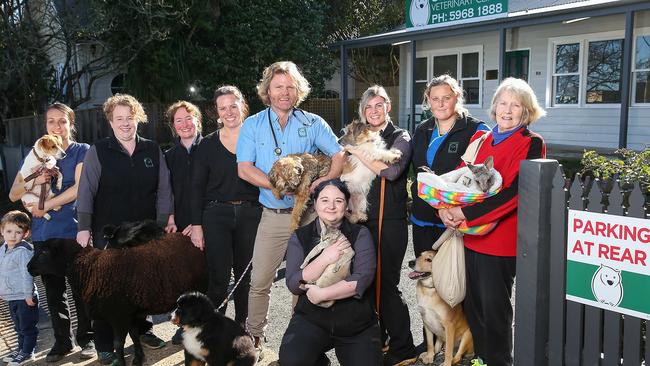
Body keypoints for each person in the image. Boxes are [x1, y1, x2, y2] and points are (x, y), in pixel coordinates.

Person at [237, 61, 346, 350]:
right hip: (272, 215)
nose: (284, 92)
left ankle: (301, 335)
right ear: (267, 91)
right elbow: (244, 168)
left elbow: (339, 154)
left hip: (308, 216)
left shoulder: (313, 123)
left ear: (298, 91)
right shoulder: (253, 124)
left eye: (290, 87)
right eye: (278, 87)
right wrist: (276, 186)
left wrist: (321, 184)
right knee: (260, 280)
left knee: (304, 279)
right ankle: (255, 337)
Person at [439, 77, 546, 366]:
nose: (507, 110)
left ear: (526, 111)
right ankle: (481, 360)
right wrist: (445, 207)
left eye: (516, 105)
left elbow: (515, 194)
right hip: (469, 237)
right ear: (494, 106)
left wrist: (465, 214)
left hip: (499, 244)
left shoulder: (531, 143)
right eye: (503, 103)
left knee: (495, 311)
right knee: (473, 309)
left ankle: (500, 362)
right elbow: (458, 179)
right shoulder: (481, 139)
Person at [76, 94, 172, 364]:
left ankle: (143, 332)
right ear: (110, 121)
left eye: (130, 118)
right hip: (108, 235)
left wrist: (161, 226)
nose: (125, 123)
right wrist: (84, 228)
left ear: (138, 118)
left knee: (141, 288)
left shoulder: (152, 150)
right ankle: (104, 342)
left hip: (143, 235)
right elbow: (85, 191)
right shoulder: (98, 151)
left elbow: (164, 190)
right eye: (119, 118)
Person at [8, 103, 95, 362]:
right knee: (54, 292)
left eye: (62, 121)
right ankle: (62, 342)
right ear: (45, 126)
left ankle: (87, 338)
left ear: (71, 124)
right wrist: (36, 181)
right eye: (51, 121)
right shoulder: (38, 154)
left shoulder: (82, 151)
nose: (57, 126)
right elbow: (14, 194)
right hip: (44, 232)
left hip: (73, 229)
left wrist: (45, 204)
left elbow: (80, 188)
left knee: (81, 288)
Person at [345, 85, 415, 365]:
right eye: (368, 107)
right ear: (362, 111)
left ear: (388, 107)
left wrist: (359, 153)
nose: (374, 111)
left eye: (379, 105)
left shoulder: (400, 136)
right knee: (365, 282)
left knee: (387, 285)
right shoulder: (355, 134)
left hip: (390, 221)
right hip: (361, 221)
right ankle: (381, 339)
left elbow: (393, 170)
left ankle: (403, 347)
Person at [278, 179, 381, 366]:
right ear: (315, 204)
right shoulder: (300, 236)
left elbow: (362, 279)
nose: (331, 206)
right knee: (291, 360)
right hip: (312, 319)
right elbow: (293, 284)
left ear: (347, 204)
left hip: (355, 322)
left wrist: (322, 294)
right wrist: (325, 258)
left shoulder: (360, 233)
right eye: (324, 200)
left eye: (338, 201)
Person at [189, 86, 262, 325]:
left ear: (243, 106)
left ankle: (244, 327)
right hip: (216, 215)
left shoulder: (258, 140)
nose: (229, 112)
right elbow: (197, 187)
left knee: (246, 277)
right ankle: (213, 329)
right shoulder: (207, 145)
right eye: (223, 108)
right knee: (218, 279)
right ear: (217, 113)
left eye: (233, 105)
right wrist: (197, 225)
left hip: (251, 214)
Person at [410, 75, 490, 258]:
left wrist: (448, 208)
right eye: (435, 99)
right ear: (428, 100)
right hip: (423, 216)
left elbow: (479, 177)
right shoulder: (423, 129)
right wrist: (438, 206)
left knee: (455, 281)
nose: (440, 104)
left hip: (457, 221)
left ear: (457, 97)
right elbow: (420, 170)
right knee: (427, 279)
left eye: (446, 98)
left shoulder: (476, 130)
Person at [0, 211, 38, 365]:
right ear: (2, 231)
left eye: (18, 232)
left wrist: (28, 295)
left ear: (26, 233)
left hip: (24, 297)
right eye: (9, 231)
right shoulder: (2, 249)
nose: (12, 235)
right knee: (19, 326)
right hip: (11, 296)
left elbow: (27, 274)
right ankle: (21, 348)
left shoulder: (23, 251)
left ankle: (28, 352)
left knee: (27, 326)